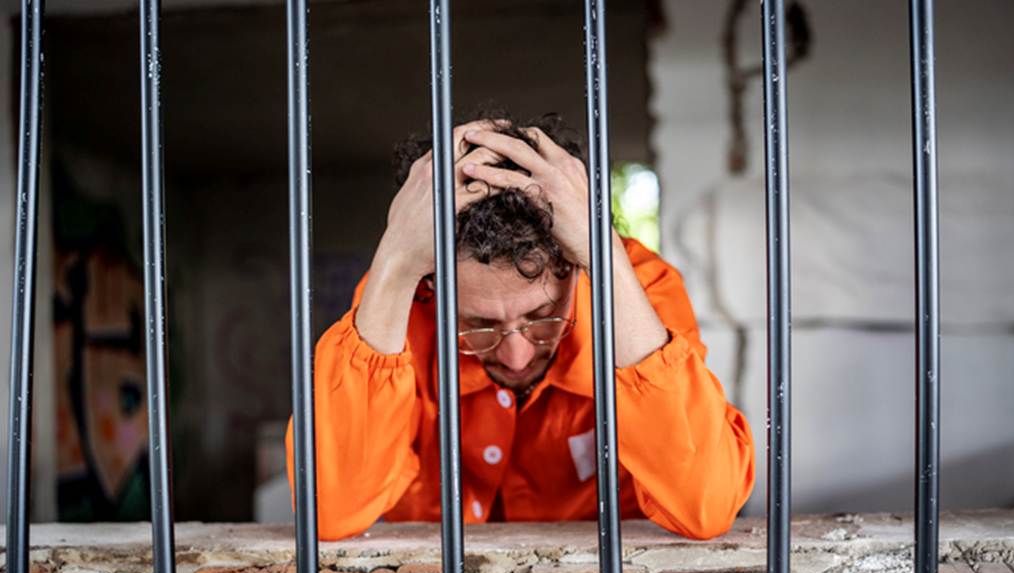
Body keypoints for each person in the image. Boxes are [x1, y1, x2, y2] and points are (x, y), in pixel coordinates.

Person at [285, 114, 754, 541]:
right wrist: (393, 261)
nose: (516, 357)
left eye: (540, 318)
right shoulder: (401, 296)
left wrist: (602, 252)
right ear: (430, 285)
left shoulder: (639, 287)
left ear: (575, 269)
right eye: (476, 324)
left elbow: (705, 507)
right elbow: (330, 510)